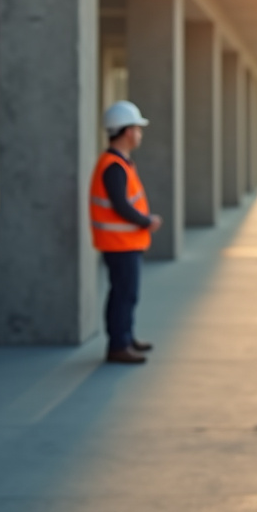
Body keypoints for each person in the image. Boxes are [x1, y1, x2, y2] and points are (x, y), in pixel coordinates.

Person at [89, 100, 164, 365]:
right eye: (138, 128)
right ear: (128, 132)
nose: (140, 134)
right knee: (123, 294)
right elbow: (120, 205)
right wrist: (146, 221)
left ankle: (126, 338)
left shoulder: (119, 163)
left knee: (127, 294)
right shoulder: (114, 166)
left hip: (124, 242)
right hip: (119, 243)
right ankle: (118, 345)